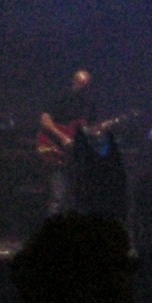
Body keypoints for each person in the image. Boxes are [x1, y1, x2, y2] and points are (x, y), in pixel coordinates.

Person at [38, 69, 96, 216]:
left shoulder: (89, 105)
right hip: (57, 151)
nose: (84, 88)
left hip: (76, 155)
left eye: (87, 85)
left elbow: (89, 129)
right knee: (58, 198)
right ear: (74, 82)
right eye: (81, 84)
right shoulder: (61, 97)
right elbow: (45, 121)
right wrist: (63, 138)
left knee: (76, 199)